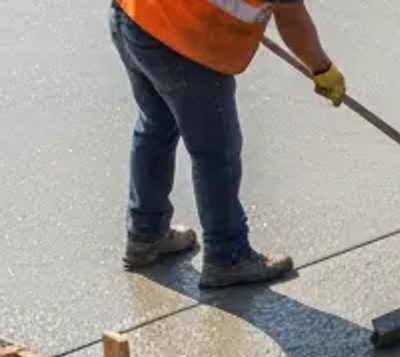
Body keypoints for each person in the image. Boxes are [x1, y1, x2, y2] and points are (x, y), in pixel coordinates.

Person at [111, 0, 346, 288]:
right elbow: (293, 20)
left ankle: (145, 236)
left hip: (134, 17)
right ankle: (228, 257)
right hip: (182, 42)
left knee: (155, 124)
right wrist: (321, 68)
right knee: (216, 151)